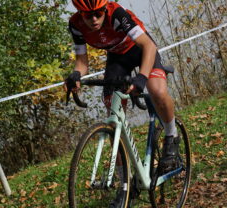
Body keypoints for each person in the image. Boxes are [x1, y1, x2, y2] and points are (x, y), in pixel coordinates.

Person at [65, 0, 179, 194]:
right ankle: (124, 183)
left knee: (157, 91)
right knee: (113, 115)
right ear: (80, 13)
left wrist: (142, 78)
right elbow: (82, 62)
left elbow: (148, 46)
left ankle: (171, 137)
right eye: (88, 15)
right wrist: (76, 75)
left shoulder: (116, 14)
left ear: (104, 9)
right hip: (118, 59)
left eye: (98, 13)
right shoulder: (76, 24)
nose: (93, 19)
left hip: (142, 51)